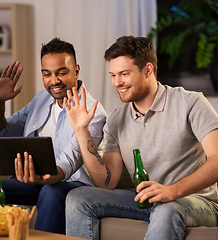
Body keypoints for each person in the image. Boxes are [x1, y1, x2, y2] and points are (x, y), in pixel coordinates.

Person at [64, 36, 218, 240]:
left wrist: (172, 191)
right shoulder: (117, 119)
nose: (117, 83)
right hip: (146, 199)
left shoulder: (191, 103)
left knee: (166, 209)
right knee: (78, 197)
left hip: (195, 201)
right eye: (113, 75)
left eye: (124, 74)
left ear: (147, 70)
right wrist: (81, 130)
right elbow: (107, 182)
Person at [0, 38, 107, 233]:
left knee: (52, 191)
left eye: (62, 73)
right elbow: (5, 133)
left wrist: (42, 179)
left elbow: (69, 161)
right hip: (34, 182)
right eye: (47, 74)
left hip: (72, 185)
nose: (54, 81)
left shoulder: (93, 112)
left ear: (76, 71)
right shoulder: (41, 99)